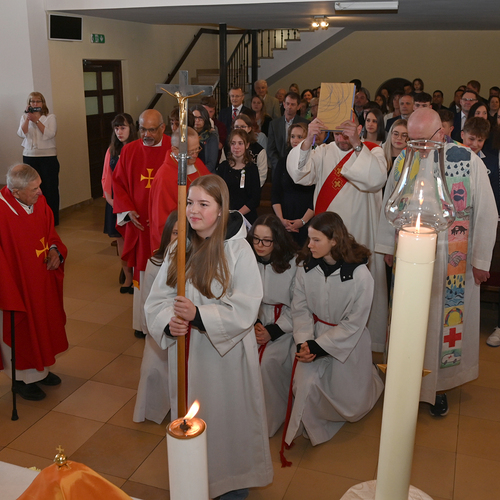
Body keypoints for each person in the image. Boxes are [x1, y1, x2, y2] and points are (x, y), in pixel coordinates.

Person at [145, 175, 273, 499]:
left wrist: (199, 316)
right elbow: (157, 299)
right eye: (190, 203)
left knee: (226, 421)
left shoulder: (238, 250)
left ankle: (232, 485)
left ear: (221, 209)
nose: (194, 210)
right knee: (191, 419)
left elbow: (246, 305)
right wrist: (168, 322)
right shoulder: (179, 245)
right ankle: (192, 482)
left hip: (224, 360)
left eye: (204, 204)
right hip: (187, 353)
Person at [376, 108, 497, 416]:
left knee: (442, 328)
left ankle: (438, 387)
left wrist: (482, 259)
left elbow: (485, 212)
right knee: (410, 321)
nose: (414, 147)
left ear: (441, 134)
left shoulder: (467, 160)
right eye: (410, 140)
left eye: (421, 141)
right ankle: (405, 381)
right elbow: (391, 198)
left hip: (453, 259)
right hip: (411, 258)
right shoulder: (404, 160)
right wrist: (388, 246)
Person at [287, 117, 388, 351]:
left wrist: (356, 145)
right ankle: (320, 340)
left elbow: (375, 179)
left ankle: (361, 346)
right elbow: (299, 174)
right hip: (324, 239)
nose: (342, 138)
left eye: (348, 132)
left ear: (359, 129)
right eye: (338, 132)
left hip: (360, 234)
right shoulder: (322, 151)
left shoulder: (373, 152)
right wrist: (306, 141)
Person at [284, 212, 384, 446]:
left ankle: (368, 387)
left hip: (347, 343)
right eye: (309, 238)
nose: (310, 245)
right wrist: (304, 343)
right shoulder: (305, 267)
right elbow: (300, 309)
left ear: (334, 241)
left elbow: (354, 323)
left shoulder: (360, 275)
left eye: (316, 240)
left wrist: (318, 348)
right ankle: (314, 424)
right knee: (304, 385)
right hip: (312, 336)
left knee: (350, 401)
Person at [0, 164, 68, 401]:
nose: (40, 192)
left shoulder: (39, 202)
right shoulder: (2, 211)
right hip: (17, 286)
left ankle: (41, 371)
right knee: (22, 328)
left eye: (39, 186)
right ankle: (20, 378)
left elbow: (51, 233)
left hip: (41, 280)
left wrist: (54, 250)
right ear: (15, 192)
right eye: (34, 189)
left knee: (43, 323)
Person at [112, 109, 171, 339]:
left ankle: (165, 323)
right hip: (140, 226)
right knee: (143, 270)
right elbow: (118, 183)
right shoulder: (130, 150)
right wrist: (127, 210)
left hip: (166, 226)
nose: (146, 134)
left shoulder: (173, 149)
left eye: (151, 129)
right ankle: (142, 323)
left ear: (163, 128)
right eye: (142, 129)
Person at [247, 214, 298, 437]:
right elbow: (240, 296)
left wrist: (272, 331)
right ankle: (244, 416)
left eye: (266, 240)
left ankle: (268, 420)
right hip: (251, 321)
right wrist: (256, 322)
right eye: (256, 239)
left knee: (267, 363)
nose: (260, 245)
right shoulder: (246, 260)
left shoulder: (294, 263)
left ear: (277, 241)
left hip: (284, 326)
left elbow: (299, 306)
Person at [134, 210, 178, 424]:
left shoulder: (199, 262)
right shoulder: (155, 262)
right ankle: (152, 409)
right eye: (175, 233)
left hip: (191, 329)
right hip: (161, 328)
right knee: (151, 370)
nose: (179, 239)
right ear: (168, 234)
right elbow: (147, 305)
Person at [149, 127, 210, 253]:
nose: (195, 155)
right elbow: (163, 222)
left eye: (197, 149)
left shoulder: (197, 163)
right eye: (190, 151)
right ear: (175, 150)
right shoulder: (165, 177)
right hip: (181, 243)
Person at [101, 113, 138, 294]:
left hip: (133, 201)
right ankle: (127, 277)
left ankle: (137, 276)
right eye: (116, 128)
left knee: (134, 239)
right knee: (121, 240)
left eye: (122, 127)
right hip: (116, 202)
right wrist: (111, 200)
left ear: (131, 128)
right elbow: (106, 178)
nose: (119, 132)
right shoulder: (112, 150)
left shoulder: (138, 148)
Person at [17, 92, 60, 225]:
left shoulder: (50, 117)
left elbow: (50, 134)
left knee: (49, 188)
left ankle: (52, 219)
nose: (35, 104)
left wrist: (36, 120)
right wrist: (27, 119)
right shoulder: (25, 117)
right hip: (30, 156)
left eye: (37, 101)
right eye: (32, 102)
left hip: (48, 157)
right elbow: (20, 133)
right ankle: (36, 218)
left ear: (43, 103)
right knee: (31, 188)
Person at [272, 122, 314, 246]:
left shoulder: (314, 161)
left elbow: (316, 196)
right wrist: (281, 220)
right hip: (284, 220)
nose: (295, 140)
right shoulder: (282, 162)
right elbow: (275, 193)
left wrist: (303, 221)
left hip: (307, 221)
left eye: (300, 137)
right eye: (292, 136)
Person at [216, 129, 261, 224]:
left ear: (247, 145)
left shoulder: (252, 169)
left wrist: (238, 214)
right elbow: (217, 193)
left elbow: (255, 199)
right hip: (225, 215)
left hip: (246, 217)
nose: (236, 147)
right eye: (233, 143)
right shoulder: (223, 167)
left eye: (240, 143)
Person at [267, 91, 309, 170]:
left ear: (298, 106)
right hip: (278, 167)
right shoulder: (274, 124)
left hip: (298, 167)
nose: (289, 107)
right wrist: (279, 165)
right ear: (284, 104)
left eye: (292, 104)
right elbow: (271, 149)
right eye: (287, 103)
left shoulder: (305, 124)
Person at [228, 113, 268, 187]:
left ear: (249, 129)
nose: (239, 129)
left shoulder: (259, 151)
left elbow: (261, 177)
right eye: (236, 127)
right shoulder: (227, 148)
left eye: (243, 126)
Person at [191, 104, 219, 172]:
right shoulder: (185, 136)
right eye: (194, 117)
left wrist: (197, 173)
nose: (197, 120)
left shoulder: (211, 137)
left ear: (205, 119)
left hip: (206, 174)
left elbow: (211, 164)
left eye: (200, 118)